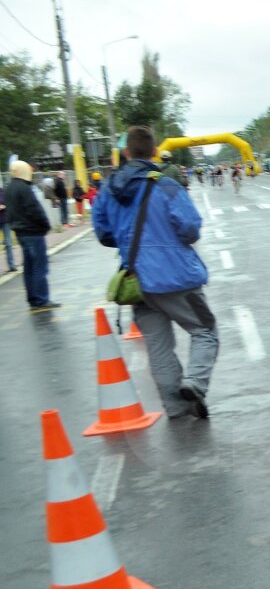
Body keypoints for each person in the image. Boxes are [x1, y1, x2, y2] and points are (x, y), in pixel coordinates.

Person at [92, 125, 217, 420]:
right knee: (205, 331)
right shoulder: (165, 184)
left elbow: (103, 232)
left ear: (126, 153)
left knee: (159, 347)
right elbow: (190, 228)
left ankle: (176, 407)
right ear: (154, 152)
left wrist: (126, 239)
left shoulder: (109, 189)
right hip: (176, 279)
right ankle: (195, 384)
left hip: (137, 283)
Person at [4, 161, 59, 311]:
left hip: (20, 232)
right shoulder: (25, 188)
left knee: (28, 267)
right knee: (40, 266)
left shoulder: (9, 189)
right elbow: (34, 210)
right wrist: (45, 225)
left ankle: (33, 299)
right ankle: (42, 299)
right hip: (33, 232)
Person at [0, 183, 17, 272]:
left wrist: (4, 206)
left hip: (5, 220)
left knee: (8, 243)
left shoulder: (2, 191)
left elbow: (9, 203)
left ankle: (11, 265)